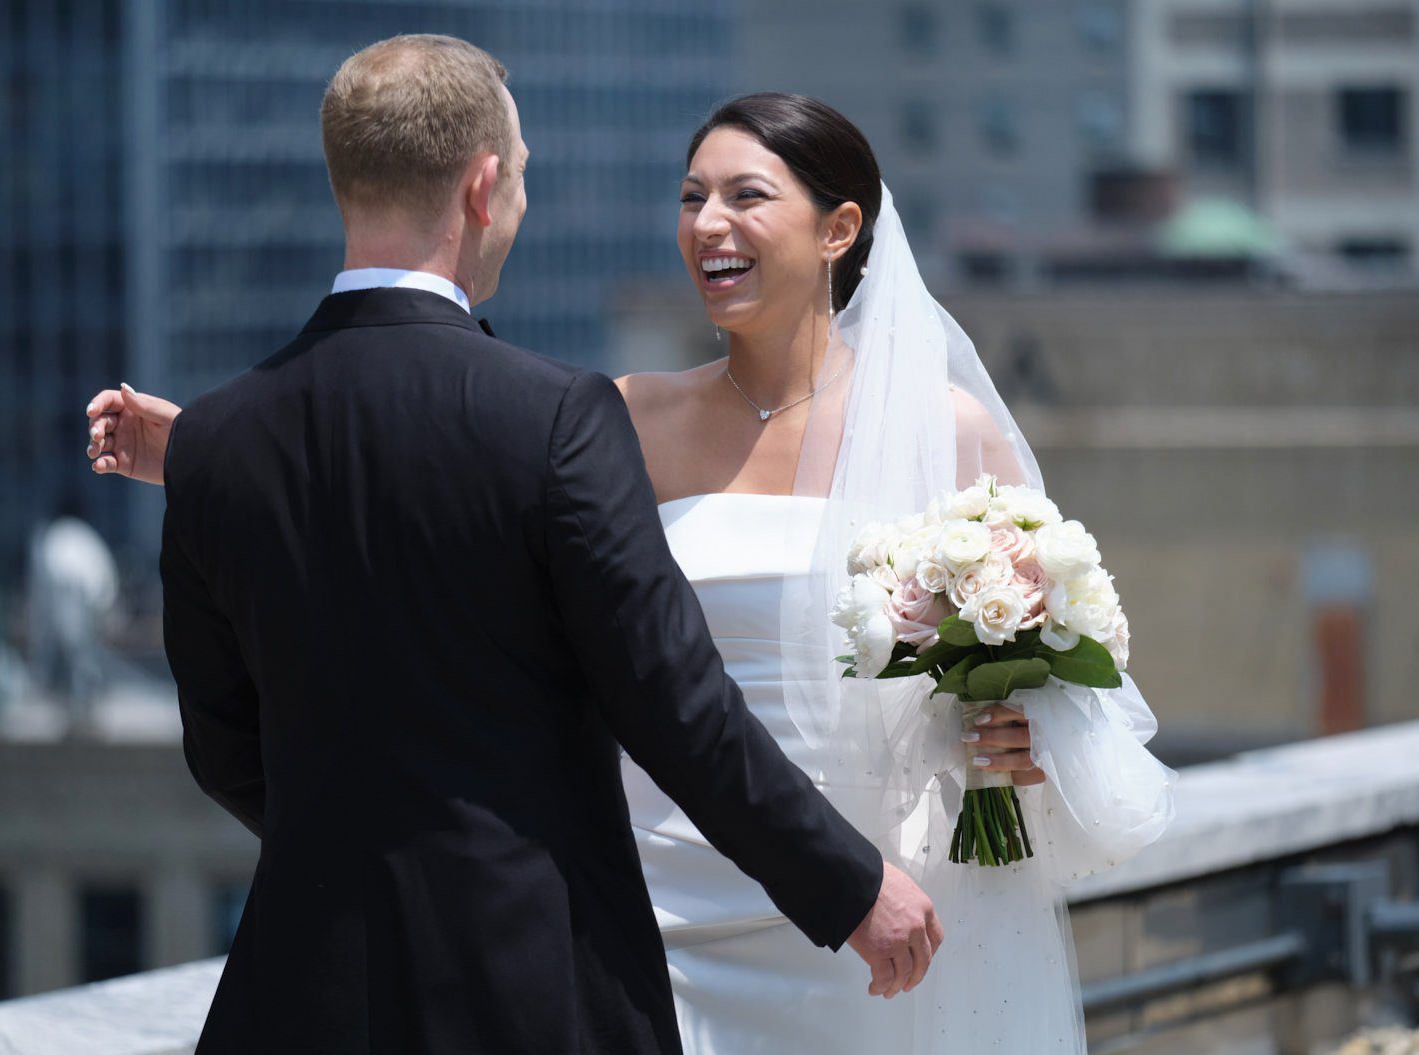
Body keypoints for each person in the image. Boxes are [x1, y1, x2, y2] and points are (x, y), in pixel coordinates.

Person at [87, 80, 1177, 1055]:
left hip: (885, 872)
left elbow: (1066, 684)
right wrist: (216, 456)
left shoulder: (949, 432)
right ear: (485, 188)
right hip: (658, 900)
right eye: (691, 195)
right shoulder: (610, 416)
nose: (708, 224)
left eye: (746, 196)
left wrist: (1012, 737)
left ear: (841, 226)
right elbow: (446, 495)